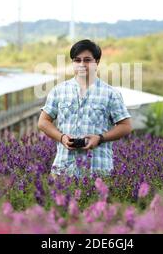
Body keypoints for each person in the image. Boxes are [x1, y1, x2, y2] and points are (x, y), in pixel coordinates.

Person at [38, 39, 132, 177]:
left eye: (87, 60)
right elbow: (43, 122)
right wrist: (62, 137)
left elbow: (126, 126)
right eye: (77, 60)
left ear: (97, 62)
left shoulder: (111, 93)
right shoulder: (58, 90)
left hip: (98, 170)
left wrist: (100, 138)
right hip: (64, 170)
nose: (82, 64)